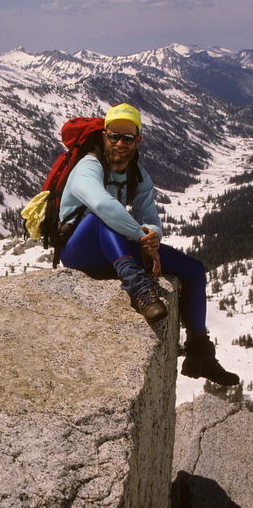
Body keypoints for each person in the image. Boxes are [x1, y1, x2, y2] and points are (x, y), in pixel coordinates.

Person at [59, 103, 239, 386]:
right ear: (104, 136)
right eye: (114, 136)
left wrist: (152, 237)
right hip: (78, 251)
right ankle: (138, 288)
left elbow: (150, 218)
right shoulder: (88, 166)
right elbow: (102, 204)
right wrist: (143, 239)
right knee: (98, 218)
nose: (120, 143)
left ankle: (200, 352)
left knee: (193, 270)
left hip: (114, 245)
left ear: (137, 140)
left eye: (128, 138)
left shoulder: (138, 174)